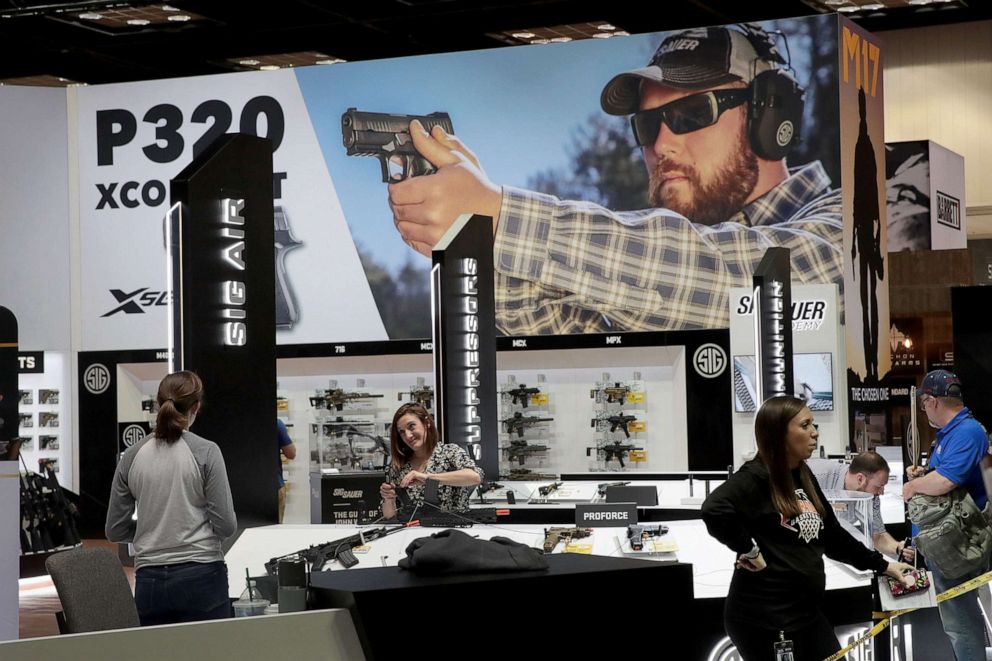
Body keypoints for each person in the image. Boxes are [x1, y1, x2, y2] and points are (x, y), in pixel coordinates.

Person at [388, 24, 842, 334]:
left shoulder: (849, 225)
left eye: (689, 114)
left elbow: (735, 275)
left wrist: (500, 214)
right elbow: (559, 328)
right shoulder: (637, 277)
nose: (660, 145)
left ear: (768, 115)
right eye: (647, 125)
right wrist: (475, 239)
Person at [702, 396, 914, 660]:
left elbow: (834, 537)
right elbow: (714, 509)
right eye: (805, 425)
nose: (814, 432)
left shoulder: (803, 475)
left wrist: (884, 565)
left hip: (805, 615)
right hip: (766, 621)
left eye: (813, 424)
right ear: (779, 432)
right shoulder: (756, 476)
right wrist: (748, 549)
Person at [106, 371, 237, 626]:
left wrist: (152, 530)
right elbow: (226, 525)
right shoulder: (206, 452)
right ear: (196, 406)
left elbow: (114, 529)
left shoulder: (132, 456)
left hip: (149, 580)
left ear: (158, 403)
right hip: (203, 574)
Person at [904, 370, 991, 661]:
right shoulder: (952, 434)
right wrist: (924, 476)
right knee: (959, 623)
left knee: (961, 624)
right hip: (947, 545)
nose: (924, 409)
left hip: (960, 546)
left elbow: (946, 482)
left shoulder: (967, 431)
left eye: (923, 403)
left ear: (932, 401)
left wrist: (913, 486)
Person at [379, 402, 483, 519]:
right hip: (411, 535)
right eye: (402, 432)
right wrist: (389, 499)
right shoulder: (397, 466)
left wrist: (427, 478)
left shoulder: (449, 453)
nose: (408, 435)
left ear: (426, 423)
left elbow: (475, 477)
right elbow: (389, 516)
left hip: (451, 533)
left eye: (411, 426)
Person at [807, 451, 915, 561]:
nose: (881, 492)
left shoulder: (872, 497)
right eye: (879, 486)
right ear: (860, 479)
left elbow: (877, 536)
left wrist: (898, 548)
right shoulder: (815, 476)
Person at [276, 417, 296, 523]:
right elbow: (291, 453)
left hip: (245, 486)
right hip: (274, 485)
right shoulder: (277, 423)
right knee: (274, 529)